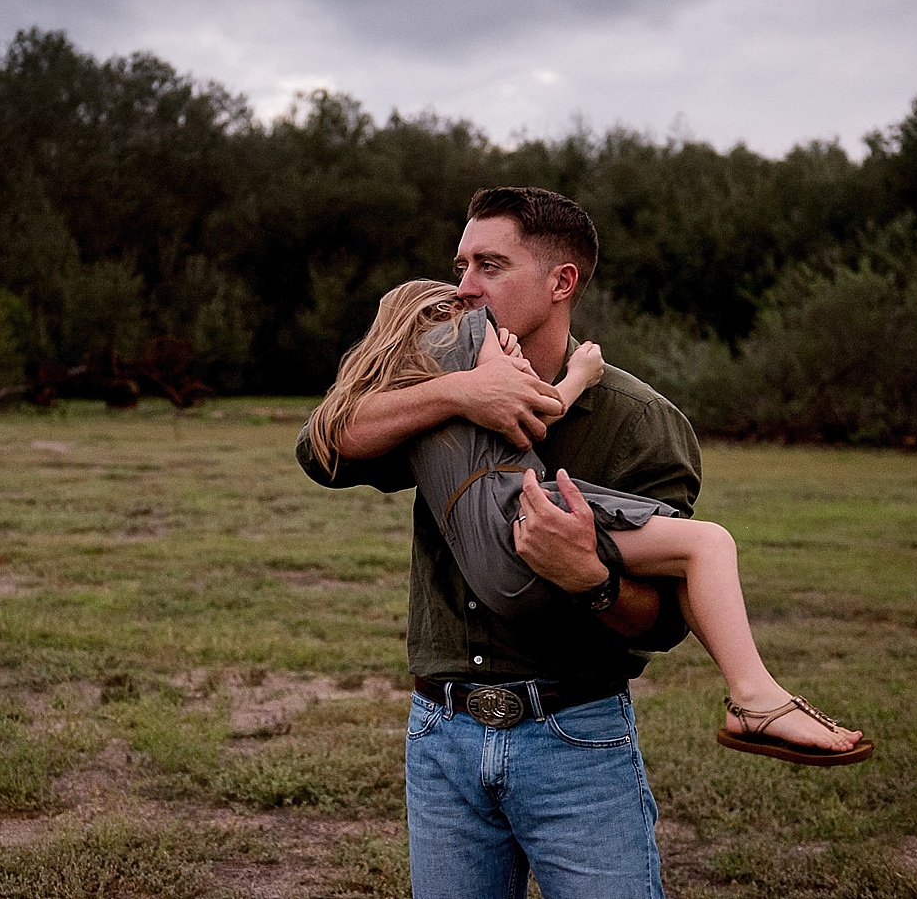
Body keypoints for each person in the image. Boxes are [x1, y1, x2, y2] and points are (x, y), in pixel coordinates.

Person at [289, 186, 717, 898]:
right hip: (441, 735)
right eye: (460, 264)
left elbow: (667, 617)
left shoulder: (640, 422)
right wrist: (458, 396)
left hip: (575, 740)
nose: (464, 288)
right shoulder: (436, 386)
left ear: (562, 282)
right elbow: (321, 451)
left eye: (490, 265)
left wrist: (593, 579)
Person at [305, 279, 872, 769]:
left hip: (495, 548)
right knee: (706, 545)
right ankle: (755, 699)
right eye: (459, 283)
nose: (468, 291)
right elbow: (539, 411)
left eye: (487, 267)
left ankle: (757, 699)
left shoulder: (410, 391)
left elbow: (327, 437)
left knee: (689, 553)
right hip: (520, 517)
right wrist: (579, 371)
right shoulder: (467, 337)